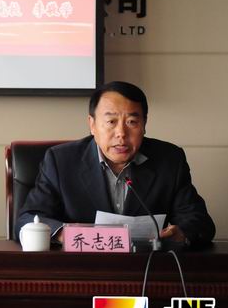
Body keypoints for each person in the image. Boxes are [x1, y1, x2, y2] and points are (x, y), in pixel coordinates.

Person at [16, 81, 215, 248]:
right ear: (92, 124)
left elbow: (199, 221)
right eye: (111, 121)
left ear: (144, 124)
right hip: (81, 270)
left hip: (147, 269)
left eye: (131, 122)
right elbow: (28, 219)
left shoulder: (169, 160)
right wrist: (65, 234)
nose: (121, 133)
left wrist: (181, 233)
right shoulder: (61, 161)